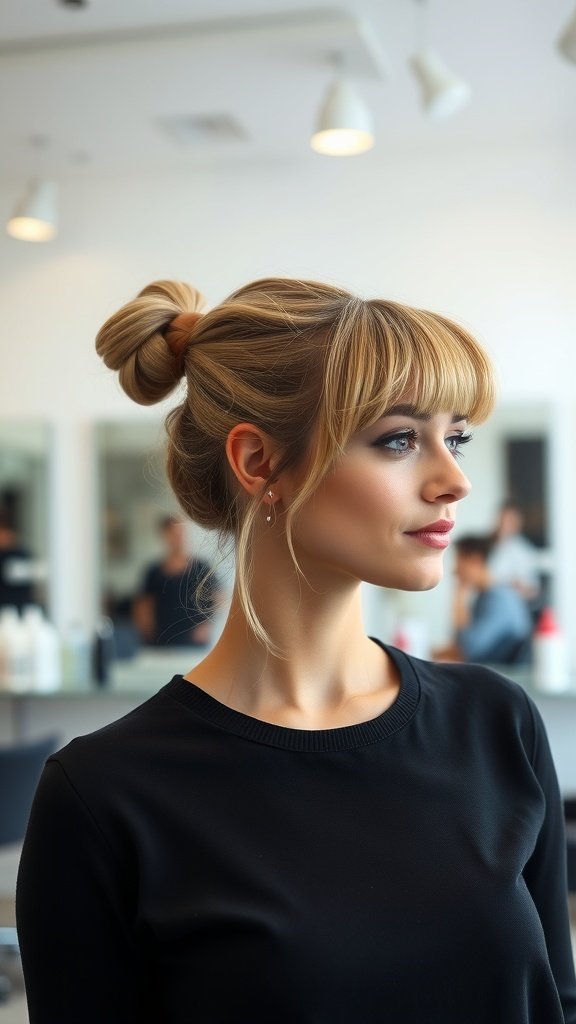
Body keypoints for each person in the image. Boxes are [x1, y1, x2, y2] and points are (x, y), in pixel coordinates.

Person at [16, 278, 576, 1023]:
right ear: (258, 464)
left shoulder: (496, 724)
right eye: (400, 439)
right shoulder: (106, 796)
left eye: (457, 437)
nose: (454, 480)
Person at [432, 533, 534, 665]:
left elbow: (466, 650)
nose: (455, 570)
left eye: (459, 561)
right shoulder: (486, 597)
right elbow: (460, 644)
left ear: (476, 560)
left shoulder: (498, 600)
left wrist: (460, 598)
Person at [132, 514, 221, 647]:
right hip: (161, 643)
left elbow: (219, 598)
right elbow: (143, 606)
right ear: (164, 536)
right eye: (173, 534)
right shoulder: (153, 572)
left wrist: (208, 623)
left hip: (194, 644)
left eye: (181, 533)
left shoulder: (202, 568)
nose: (178, 538)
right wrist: (145, 630)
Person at [489, 499, 541, 604]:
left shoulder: (523, 551)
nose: (505, 524)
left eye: (511, 520)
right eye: (504, 519)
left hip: (510, 604)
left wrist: (515, 586)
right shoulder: (488, 544)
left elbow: (532, 590)